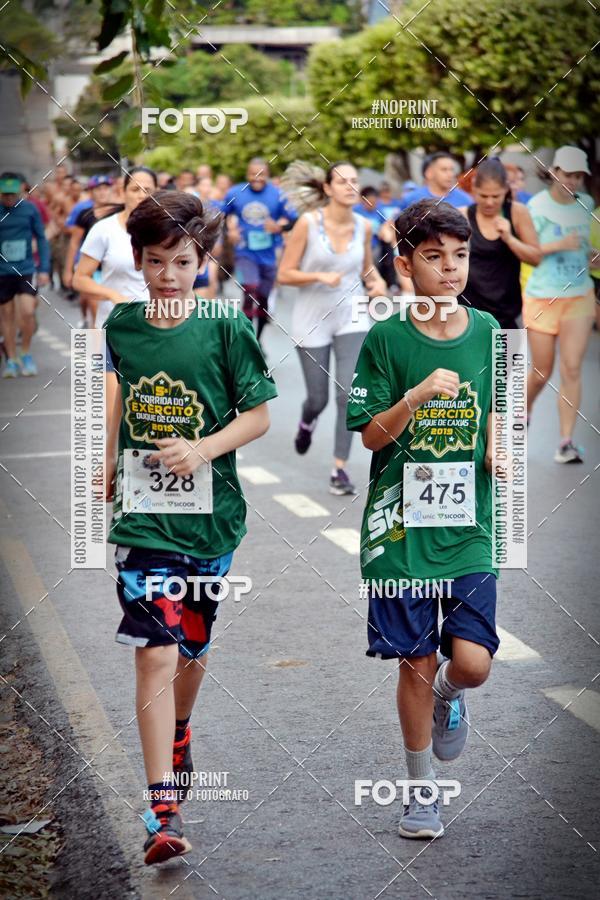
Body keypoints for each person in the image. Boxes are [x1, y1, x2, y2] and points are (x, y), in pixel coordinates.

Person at [103, 189, 277, 865]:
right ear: (139, 262)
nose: (168, 275)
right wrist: (104, 458)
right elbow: (111, 393)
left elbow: (258, 415)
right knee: (154, 649)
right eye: (155, 261)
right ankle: (160, 811)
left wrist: (203, 448)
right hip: (144, 521)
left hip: (212, 520)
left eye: (181, 261)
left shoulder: (226, 327)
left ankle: (179, 731)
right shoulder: (120, 326)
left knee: (192, 652)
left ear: (201, 260)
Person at [347, 199, 500, 840]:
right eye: (433, 258)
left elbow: (496, 413)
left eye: (458, 256)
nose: (449, 270)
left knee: (472, 663)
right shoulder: (387, 337)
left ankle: (449, 693)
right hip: (401, 530)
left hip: (468, 526)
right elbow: (371, 438)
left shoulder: (490, 332)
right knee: (412, 657)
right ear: (406, 265)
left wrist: (503, 449)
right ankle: (420, 793)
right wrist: (414, 396)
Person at [278, 160, 387, 495]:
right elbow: (285, 274)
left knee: (346, 394)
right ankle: (307, 421)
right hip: (312, 318)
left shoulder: (363, 226)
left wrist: (378, 284)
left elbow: (367, 268)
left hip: (351, 315)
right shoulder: (309, 225)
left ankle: (339, 468)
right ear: (327, 188)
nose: (350, 186)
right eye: (342, 181)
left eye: (354, 180)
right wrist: (318, 276)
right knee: (318, 398)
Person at [524, 146, 596, 463]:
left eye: (579, 175)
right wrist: (559, 245)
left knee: (571, 368)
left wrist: (593, 256)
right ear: (554, 172)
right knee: (541, 371)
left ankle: (565, 441)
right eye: (568, 174)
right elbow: (530, 250)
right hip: (542, 296)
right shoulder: (535, 207)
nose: (574, 181)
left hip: (578, 295)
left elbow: (588, 254)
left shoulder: (588, 205)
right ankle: (521, 412)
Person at [459, 158, 541, 329]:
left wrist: (510, 238)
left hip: (506, 312)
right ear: (474, 188)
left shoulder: (518, 212)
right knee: (473, 356)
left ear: (506, 190)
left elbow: (536, 258)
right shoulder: (463, 215)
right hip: (468, 315)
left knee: (507, 357)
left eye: (496, 196)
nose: (489, 202)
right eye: (483, 196)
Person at [224, 158, 292, 341]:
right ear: (248, 174)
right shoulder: (236, 192)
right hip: (245, 252)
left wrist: (280, 227)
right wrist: (229, 230)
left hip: (269, 254)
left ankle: (258, 340)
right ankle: (247, 338)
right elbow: (221, 214)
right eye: (253, 174)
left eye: (261, 174)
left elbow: (294, 219)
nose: (257, 178)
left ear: (267, 175)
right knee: (250, 289)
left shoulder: (278, 195)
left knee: (263, 298)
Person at [0, 172, 50, 377]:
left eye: (13, 194)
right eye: (6, 194)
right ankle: (11, 360)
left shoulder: (30, 210)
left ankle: (26, 352)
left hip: (26, 269)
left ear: (21, 190)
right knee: (7, 316)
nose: (10, 198)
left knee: (27, 311)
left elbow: (42, 238)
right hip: (2, 272)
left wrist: (44, 269)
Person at [63, 174, 117, 326]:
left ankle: (108, 345)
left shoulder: (120, 212)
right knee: (94, 308)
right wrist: (68, 271)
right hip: (91, 269)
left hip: (112, 268)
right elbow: (74, 242)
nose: (102, 192)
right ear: (91, 192)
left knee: (111, 312)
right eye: (98, 189)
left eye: (106, 188)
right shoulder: (84, 214)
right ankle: (91, 345)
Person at [400, 152, 473, 210]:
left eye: (452, 170)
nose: (450, 174)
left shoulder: (465, 200)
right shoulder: (412, 199)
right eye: (444, 169)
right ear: (429, 173)